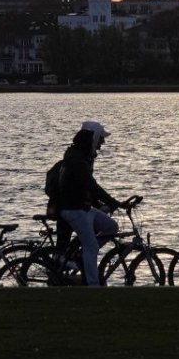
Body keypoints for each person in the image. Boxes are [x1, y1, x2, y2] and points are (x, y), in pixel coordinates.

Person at [57, 121, 129, 286]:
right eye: (100, 139)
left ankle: (82, 257)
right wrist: (115, 203)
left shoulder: (82, 156)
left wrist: (100, 204)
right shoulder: (77, 160)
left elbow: (85, 189)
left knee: (111, 228)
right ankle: (92, 285)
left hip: (82, 207)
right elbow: (92, 186)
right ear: (91, 139)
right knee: (91, 246)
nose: (102, 144)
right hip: (73, 209)